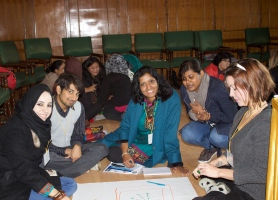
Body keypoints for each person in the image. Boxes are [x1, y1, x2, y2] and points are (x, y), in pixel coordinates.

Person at [192, 58, 275, 200]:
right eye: (230, 88)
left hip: (253, 193)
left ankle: (219, 188)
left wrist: (218, 173)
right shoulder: (243, 112)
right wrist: (215, 163)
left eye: (235, 88)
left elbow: (262, 174)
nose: (231, 94)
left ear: (253, 84)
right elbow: (234, 154)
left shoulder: (266, 123)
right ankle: (219, 188)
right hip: (238, 179)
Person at [0, 84, 77, 200]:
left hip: (25, 177)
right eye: (40, 104)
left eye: (49, 105)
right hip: (8, 187)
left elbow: (31, 165)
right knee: (58, 193)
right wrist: (57, 195)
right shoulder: (15, 130)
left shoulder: (39, 125)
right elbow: (24, 171)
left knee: (70, 184)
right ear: (29, 103)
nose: (45, 110)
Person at [97, 66, 189, 174]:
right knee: (100, 145)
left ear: (158, 80)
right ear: (139, 87)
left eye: (151, 81)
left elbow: (170, 132)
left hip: (155, 142)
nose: (148, 87)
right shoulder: (136, 98)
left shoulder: (170, 98)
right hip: (135, 134)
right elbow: (126, 126)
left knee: (112, 153)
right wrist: (125, 153)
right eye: (143, 84)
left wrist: (175, 162)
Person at [42, 73, 108, 178]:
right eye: (70, 92)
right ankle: (81, 165)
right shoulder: (45, 108)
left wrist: (77, 146)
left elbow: (78, 132)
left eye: (77, 94)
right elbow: (42, 142)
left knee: (102, 149)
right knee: (40, 158)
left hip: (71, 149)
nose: (74, 98)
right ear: (59, 90)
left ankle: (61, 173)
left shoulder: (78, 107)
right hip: (51, 151)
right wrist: (64, 151)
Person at [179, 59, 238, 163]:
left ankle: (236, 151)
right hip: (208, 123)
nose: (187, 82)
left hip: (227, 123)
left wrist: (209, 115)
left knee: (217, 137)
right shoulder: (184, 90)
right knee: (187, 133)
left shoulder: (217, 88)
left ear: (201, 73)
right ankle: (211, 147)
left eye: (191, 77)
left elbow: (233, 117)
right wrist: (200, 116)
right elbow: (191, 115)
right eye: (184, 79)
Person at [99, 53, 132, 120]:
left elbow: (104, 96)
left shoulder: (109, 77)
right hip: (130, 104)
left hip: (118, 105)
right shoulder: (126, 77)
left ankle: (122, 117)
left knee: (107, 112)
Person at [79, 56, 106, 121]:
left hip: (92, 104)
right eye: (92, 68)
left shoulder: (100, 75)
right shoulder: (84, 77)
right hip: (85, 105)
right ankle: (83, 119)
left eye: (97, 67)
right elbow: (78, 91)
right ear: (87, 68)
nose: (95, 70)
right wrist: (87, 89)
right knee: (101, 104)